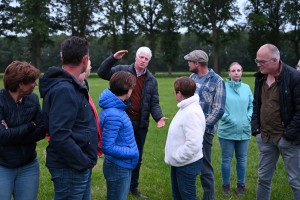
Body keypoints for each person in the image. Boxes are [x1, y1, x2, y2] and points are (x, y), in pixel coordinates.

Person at [97, 47, 168, 199]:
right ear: (136, 58)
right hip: (122, 121)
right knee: (118, 151)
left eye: (146, 59)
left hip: (140, 123)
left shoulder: (151, 80)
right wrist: (113, 58)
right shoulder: (122, 71)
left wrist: (159, 117)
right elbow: (102, 73)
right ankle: (119, 181)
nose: (143, 61)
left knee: (137, 156)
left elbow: (154, 102)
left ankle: (132, 187)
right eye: (141, 57)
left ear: (149, 61)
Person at [39, 36, 99, 200]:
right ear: (84, 59)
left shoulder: (70, 85)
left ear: (62, 57)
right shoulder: (65, 89)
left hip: (77, 165)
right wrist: (83, 162)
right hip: (71, 167)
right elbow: (60, 135)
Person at [252, 44, 300, 200]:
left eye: (261, 61)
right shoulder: (260, 77)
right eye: (257, 61)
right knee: (263, 180)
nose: (258, 64)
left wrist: (287, 137)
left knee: (296, 181)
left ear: (275, 60)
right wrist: (257, 130)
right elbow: (256, 105)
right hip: (265, 137)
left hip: (288, 140)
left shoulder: (294, 77)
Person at [184, 50, 226, 200]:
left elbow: (219, 109)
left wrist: (201, 127)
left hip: (205, 133)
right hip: (188, 130)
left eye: (190, 61)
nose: (188, 63)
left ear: (197, 63)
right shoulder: (191, 78)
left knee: (205, 168)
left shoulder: (217, 81)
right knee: (187, 165)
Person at [0, 61, 45, 200]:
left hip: (29, 166)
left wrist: (12, 136)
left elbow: (42, 129)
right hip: (3, 166)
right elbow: (2, 136)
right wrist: (30, 126)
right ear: (20, 84)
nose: (35, 85)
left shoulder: (33, 99)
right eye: (32, 82)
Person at [99, 71, 139, 200]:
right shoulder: (114, 114)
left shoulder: (114, 108)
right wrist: (132, 152)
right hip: (119, 166)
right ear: (127, 89)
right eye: (132, 87)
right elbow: (107, 147)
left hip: (119, 164)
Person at [165, 76, 205, 200]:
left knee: (187, 197)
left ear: (180, 93)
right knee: (177, 196)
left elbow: (193, 143)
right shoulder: (185, 108)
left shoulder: (191, 112)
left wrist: (178, 157)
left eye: (175, 91)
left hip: (186, 163)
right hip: (180, 163)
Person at [217, 62, 253, 196]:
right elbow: (218, 106)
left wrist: (248, 117)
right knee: (226, 159)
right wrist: (227, 118)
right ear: (229, 73)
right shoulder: (223, 87)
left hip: (244, 129)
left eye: (238, 70)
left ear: (241, 72)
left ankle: (240, 185)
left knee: (242, 159)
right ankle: (226, 185)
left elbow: (252, 106)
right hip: (227, 130)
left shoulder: (247, 88)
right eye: (233, 70)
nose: (236, 73)